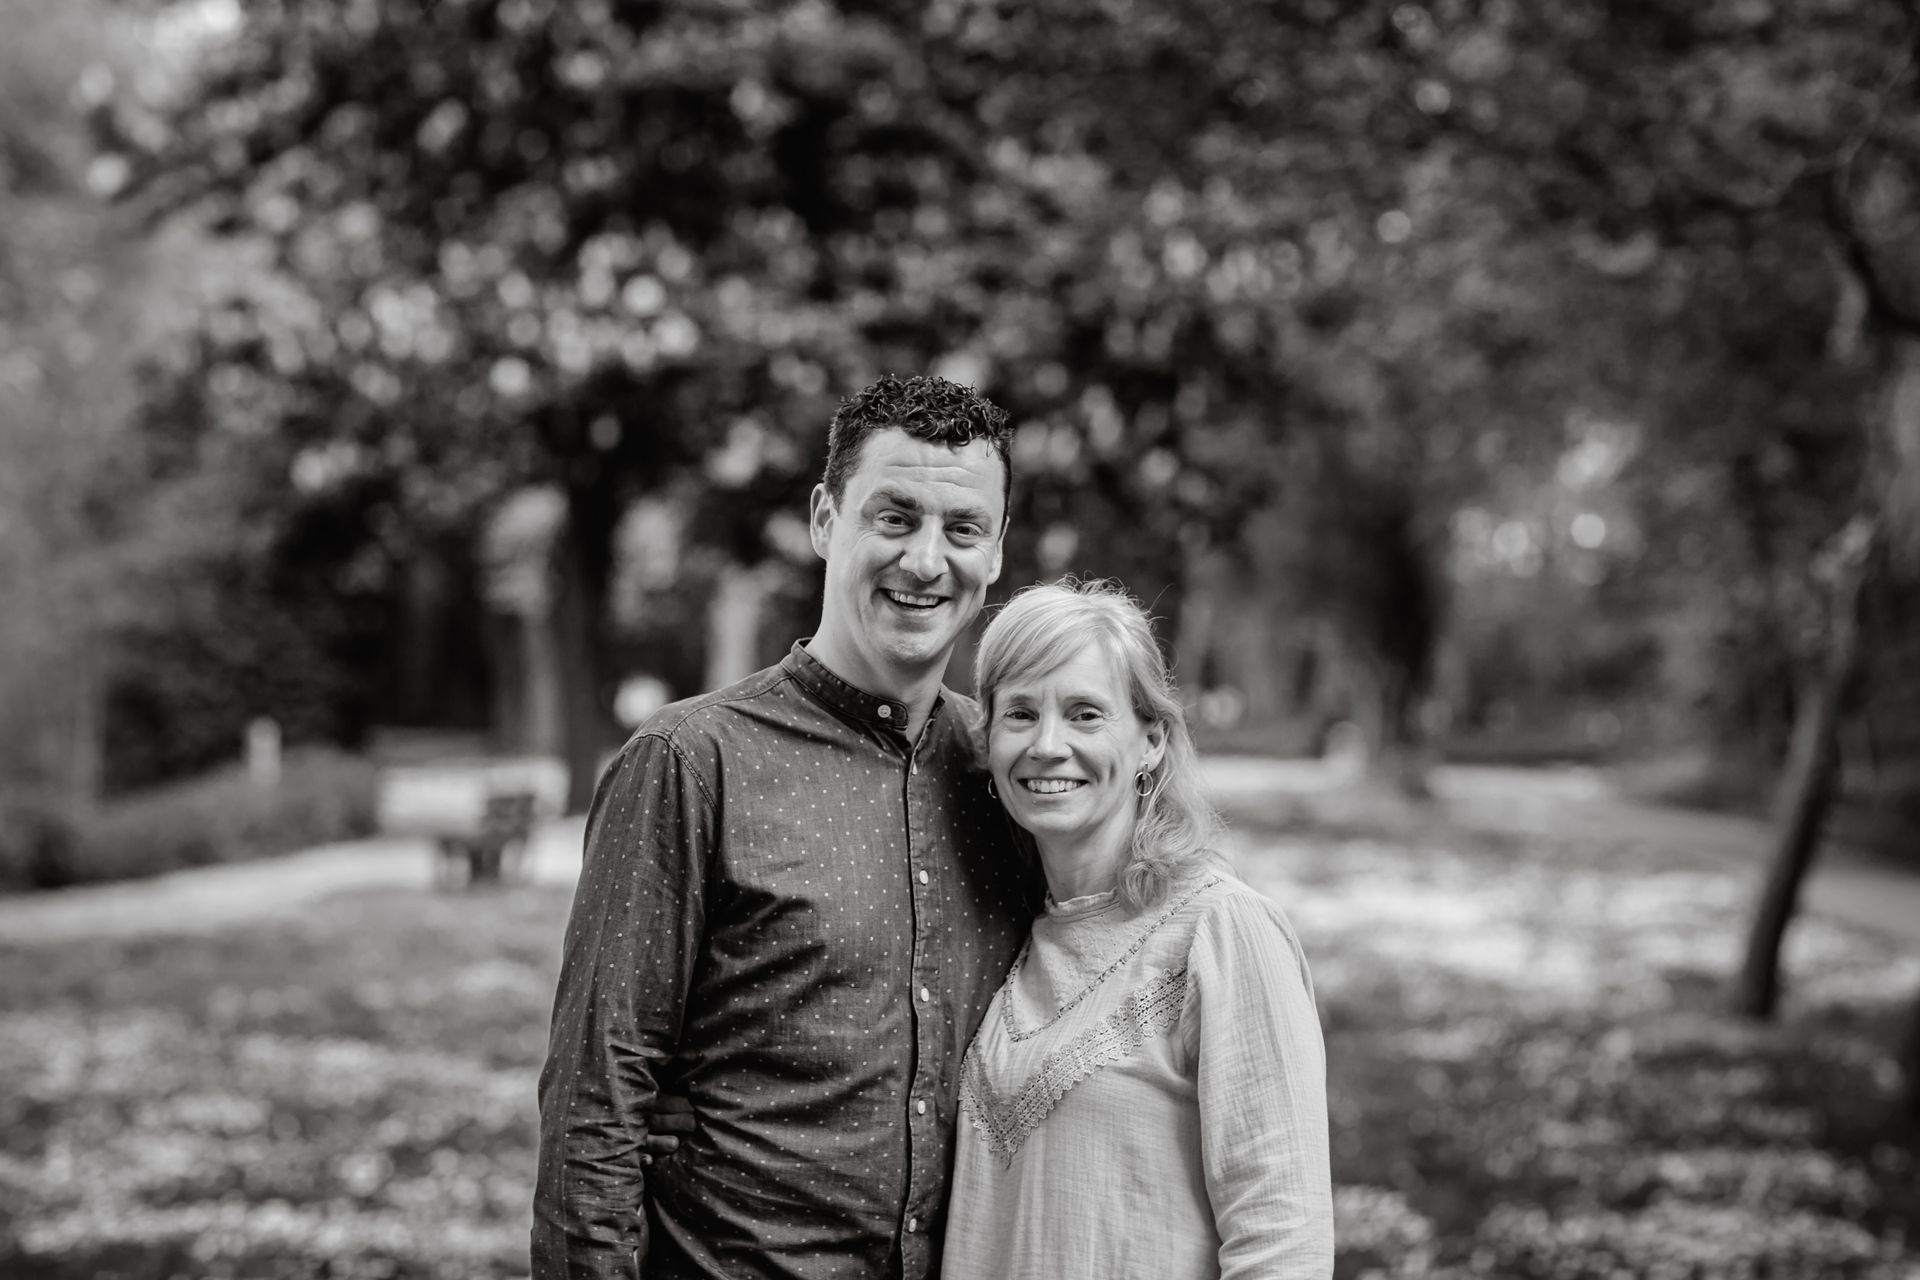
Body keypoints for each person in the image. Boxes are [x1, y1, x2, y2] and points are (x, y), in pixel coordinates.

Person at [532, 374, 1043, 1280]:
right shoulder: (692, 762)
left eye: (962, 529)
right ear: (823, 520)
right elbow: (596, 1108)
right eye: (894, 517)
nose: (927, 562)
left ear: (996, 551)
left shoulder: (1012, 775)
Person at [941, 579, 1334, 1279]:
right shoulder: (1009, 934)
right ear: (990, 741)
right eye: (1021, 713)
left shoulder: (1221, 931)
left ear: (1152, 739)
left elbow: (1284, 1243)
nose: (1049, 744)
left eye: (1086, 714)